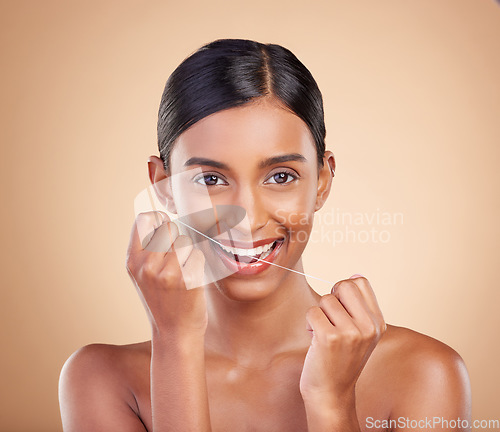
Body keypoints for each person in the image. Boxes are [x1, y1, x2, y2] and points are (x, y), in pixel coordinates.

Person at [58, 38, 471, 432]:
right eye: (211, 178)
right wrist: (174, 340)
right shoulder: (102, 380)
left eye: (279, 176)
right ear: (163, 186)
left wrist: (332, 402)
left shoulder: (424, 374)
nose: (248, 219)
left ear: (323, 180)